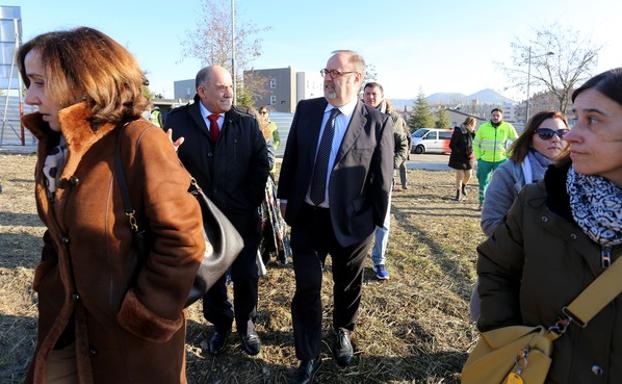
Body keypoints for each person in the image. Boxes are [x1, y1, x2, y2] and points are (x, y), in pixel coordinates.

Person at [17, 27, 205, 383]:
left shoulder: (138, 140)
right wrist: (49, 276)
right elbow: (58, 229)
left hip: (130, 342)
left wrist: (147, 312)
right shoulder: (57, 147)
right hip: (65, 324)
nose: (29, 98)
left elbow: (183, 239)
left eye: (40, 82)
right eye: (29, 82)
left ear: (83, 79)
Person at [476, 68, 622, 383]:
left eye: (592, 120)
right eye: (577, 118)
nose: (567, 137)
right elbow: (495, 267)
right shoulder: (538, 199)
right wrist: (507, 339)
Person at [278, 50, 394, 383]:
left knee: (347, 285)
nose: (328, 78)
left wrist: (373, 223)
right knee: (307, 288)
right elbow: (293, 159)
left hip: (352, 223)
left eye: (335, 73)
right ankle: (308, 355)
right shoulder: (307, 110)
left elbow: (381, 181)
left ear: (356, 78)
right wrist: (285, 198)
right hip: (307, 218)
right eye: (325, 71)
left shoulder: (377, 123)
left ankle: (342, 330)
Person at [164, 65, 270, 357]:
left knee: (246, 274)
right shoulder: (176, 121)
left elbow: (262, 162)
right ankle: (221, 325)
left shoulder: (246, 122)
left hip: (241, 216)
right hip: (200, 217)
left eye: (230, 87)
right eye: (222, 87)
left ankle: (247, 325)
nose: (229, 92)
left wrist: (249, 199)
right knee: (210, 276)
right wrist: (167, 156)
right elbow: (163, 165)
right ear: (202, 91)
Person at [481, 110, 569, 236]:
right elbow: (491, 223)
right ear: (530, 138)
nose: (555, 139)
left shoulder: (582, 170)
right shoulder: (508, 172)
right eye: (546, 134)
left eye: (562, 133)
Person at [362, 81, 409, 280]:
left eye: (374, 94)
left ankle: (378, 261)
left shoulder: (393, 119)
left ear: (382, 96)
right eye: (367, 94)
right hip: (358, 178)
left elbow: (403, 146)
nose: (370, 97)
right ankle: (353, 257)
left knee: (383, 221)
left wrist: (390, 167)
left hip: (383, 179)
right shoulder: (357, 115)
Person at [473, 108, 518, 209]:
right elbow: (475, 143)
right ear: (491, 116)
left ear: (502, 117)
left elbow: (517, 141)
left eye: (498, 115)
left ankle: (499, 204)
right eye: (494, 115)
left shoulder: (508, 127)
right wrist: (479, 157)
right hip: (484, 161)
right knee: (483, 182)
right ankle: (482, 203)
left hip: (501, 160)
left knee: (501, 183)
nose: (495, 117)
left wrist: (509, 155)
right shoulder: (483, 127)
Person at [448, 116, 477, 201]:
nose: (474, 126)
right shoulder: (459, 131)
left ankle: (464, 186)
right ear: (469, 124)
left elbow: (475, 143)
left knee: (469, 175)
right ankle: (458, 193)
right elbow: (452, 145)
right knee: (460, 175)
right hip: (459, 157)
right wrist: (460, 152)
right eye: (474, 124)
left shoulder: (472, 132)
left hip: (469, 157)